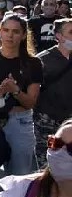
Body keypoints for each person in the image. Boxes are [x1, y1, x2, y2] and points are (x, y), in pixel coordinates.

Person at [0, 13, 43, 195]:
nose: (10, 35)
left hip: (20, 121)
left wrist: (15, 90)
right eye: (6, 30)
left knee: (19, 182)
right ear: (0, 32)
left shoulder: (33, 63)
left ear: (23, 35)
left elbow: (30, 103)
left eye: (15, 31)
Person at [33, 18, 72, 168]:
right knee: (48, 163)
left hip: (70, 124)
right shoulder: (43, 60)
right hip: (48, 123)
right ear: (58, 36)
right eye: (71, 32)